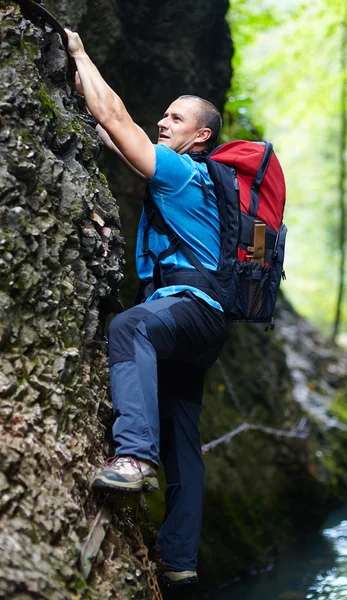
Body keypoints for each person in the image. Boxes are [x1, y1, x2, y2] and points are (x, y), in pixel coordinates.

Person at [65, 30, 227, 591]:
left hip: (182, 310)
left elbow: (118, 124)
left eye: (176, 119)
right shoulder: (202, 180)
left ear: (201, 136)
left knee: (130, 327)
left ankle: (133, 458)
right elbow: (119, 135)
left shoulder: (183, 172)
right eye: (163, 114)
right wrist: (86, 91)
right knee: (183, 432)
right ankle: (180, 558)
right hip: (205, 326)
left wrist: (80, 56)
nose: (164, 121)